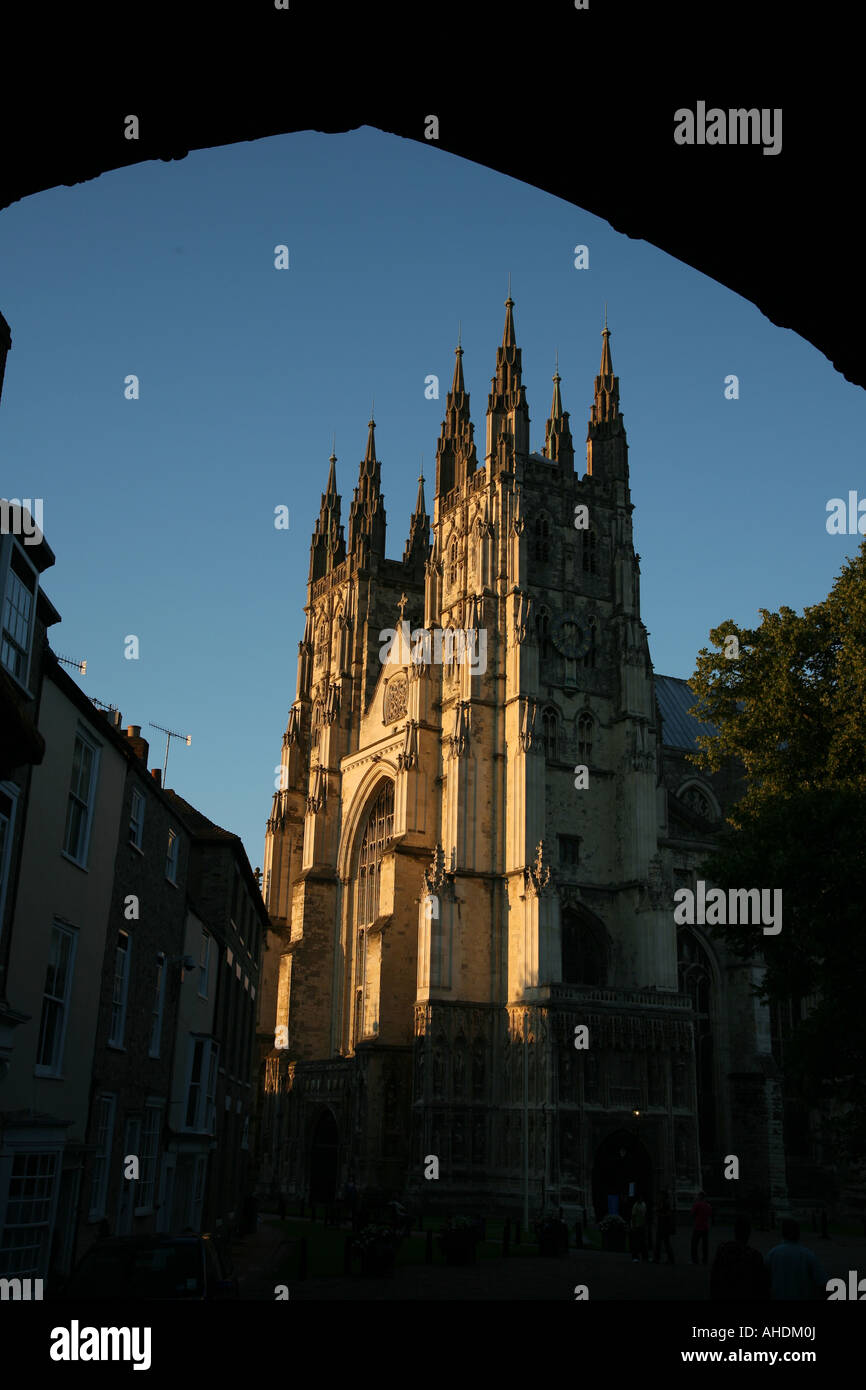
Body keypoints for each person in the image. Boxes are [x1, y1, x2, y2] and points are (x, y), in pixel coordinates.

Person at [765, 1219, 828, 1300]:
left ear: (782, 1233)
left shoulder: (772, 1254)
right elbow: (822, 1282)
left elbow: (765, 1280)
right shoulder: (808, 1255)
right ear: (798, 1233)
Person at [710, 1216, 770, 1299]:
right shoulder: (755, 1255)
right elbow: (761, 1284)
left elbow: (714, 1279)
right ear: (749, 1233)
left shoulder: (722, 1251)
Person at [653, 1188, 675, 1264]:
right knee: (661, 1242)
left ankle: (669, 1259)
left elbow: (668, 1214)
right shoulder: (663, 1202)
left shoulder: (666, 1202)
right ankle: (658, 1258)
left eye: (661, 1195)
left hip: (664, 1225)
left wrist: (659, 1214)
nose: (660, 1196)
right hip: (662, 1225)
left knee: (665, 1242)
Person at [691, 1190, 712, 1265]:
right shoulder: (708, 1205)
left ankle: (695, 1260)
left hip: (697, 1226)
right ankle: (705, 1260)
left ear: (699, 1196)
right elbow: (710, 1215)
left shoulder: (697, 1204)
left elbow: (693, 1214)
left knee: (694, 1244)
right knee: (705, 1245)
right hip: (705, 1227)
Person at [630, 1194, 648, 1261]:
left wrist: (645, 1224)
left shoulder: (643, 1204)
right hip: (637, 1225)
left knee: (643, 1242)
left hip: (642, 1225)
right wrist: (634, 1226)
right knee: (636, 1242)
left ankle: (645, 1257)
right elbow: (633, 1216)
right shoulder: (635, 1206)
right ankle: (635, 1257)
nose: (640, 1199)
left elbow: (644, 1215)